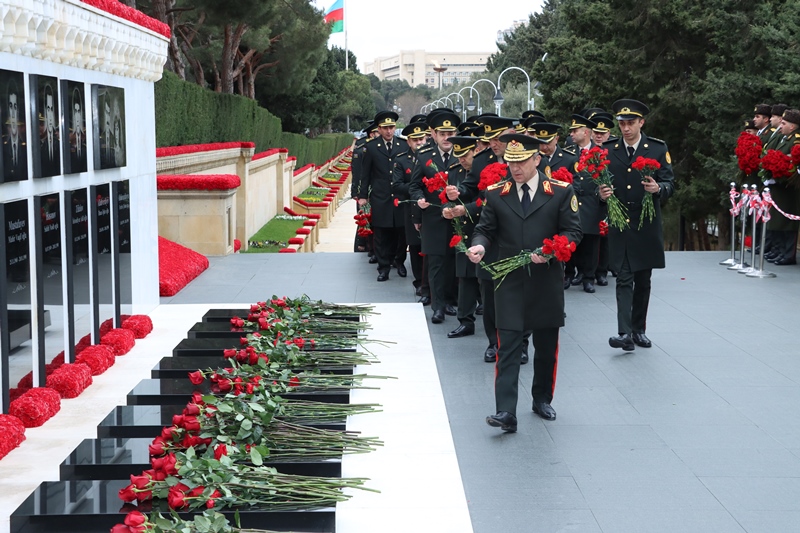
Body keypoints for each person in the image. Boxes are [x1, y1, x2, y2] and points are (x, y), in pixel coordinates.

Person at [467, 134, 582, 431]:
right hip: (509, 280)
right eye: (510, 162)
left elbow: (573, 232)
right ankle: (506, 411)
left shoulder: (560, 191)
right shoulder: (497, 193)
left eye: (520, 162)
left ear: (537, 159)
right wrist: (479, 246)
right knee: (507, 347)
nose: (514, 168)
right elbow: (485, 229)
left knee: (545, 345)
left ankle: (542, 398)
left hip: (545, 279)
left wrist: (553, 250)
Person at [599, 99, 675, 351]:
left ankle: (639, 329)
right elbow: (597, 182)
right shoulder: (609, 149)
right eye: (621, 123)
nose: (626, 128)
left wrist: (658, 189)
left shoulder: (656, 148)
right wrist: (601, 193)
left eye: (631, 123)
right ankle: (624, 333)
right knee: (623, 276)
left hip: (645, 224)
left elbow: (670, 183)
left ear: (641, 122)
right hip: (620, 223)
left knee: (643, 278)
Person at [409, 111, 462, 323]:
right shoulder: (424, 156)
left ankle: (449, 300)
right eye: (442, 133)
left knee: (453, 262)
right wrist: (420, 198)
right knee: (436, 263)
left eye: (451, 132)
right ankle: (437, 306)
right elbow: (414, 185)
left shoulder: (463, 155)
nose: (447, 137)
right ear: (433, 134)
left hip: (458, 219)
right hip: (433, 217)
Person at [358, 111, 407, 281]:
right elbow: (365, 173)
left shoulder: (403, 145)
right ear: (379, 129)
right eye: (385, 128)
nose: (389, 131)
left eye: (392, 127)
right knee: (380, 232)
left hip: (399, 196)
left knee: (400, 231)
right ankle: (383, 267)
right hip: (380, 195)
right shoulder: (371, 147)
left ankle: (399, 262)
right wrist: (362, 195)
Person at [442, 135, 481, 338]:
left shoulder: (485, 170)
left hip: (482, 228)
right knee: (464, 276)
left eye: (465, 155)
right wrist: (446, 210)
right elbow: (447, 197)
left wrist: (466, 210)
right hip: (462, 230)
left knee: (484, 277)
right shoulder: (455, 171)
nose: (462, 160)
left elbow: (487, 201)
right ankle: (465, 321)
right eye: (458, 156)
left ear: (475, 151)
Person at [392, 121, 429, 295]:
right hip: (412, 209)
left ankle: (432, 284)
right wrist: (417, 188)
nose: (419, 142)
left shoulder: (432, 157)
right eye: (415, 140)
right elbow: (397, 185)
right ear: (409, 142)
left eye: (422, 138)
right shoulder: (401, 160)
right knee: (415, 247)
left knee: (432, 248)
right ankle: (419, 283)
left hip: (431, 208)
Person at [763, 108, 800, 265]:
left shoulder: (795, 141)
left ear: (792, 126)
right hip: (779, 186)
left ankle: (788, 254)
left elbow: (791, 163)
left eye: (784, 123)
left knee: (788, 221)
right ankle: (779, 250)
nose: (780, 126)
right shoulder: (785, 139)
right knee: (778, 220)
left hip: (789, 188)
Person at [2, 77, 27, 182]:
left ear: (23, 127)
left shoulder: (28, 144)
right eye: (8, 126)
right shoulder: (3, 143)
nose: (11, 128)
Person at [39, 83, 60, 177]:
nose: (39, 128)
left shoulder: (56, 145)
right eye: (37, 124)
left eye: (42, 124)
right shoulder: (31, 143)